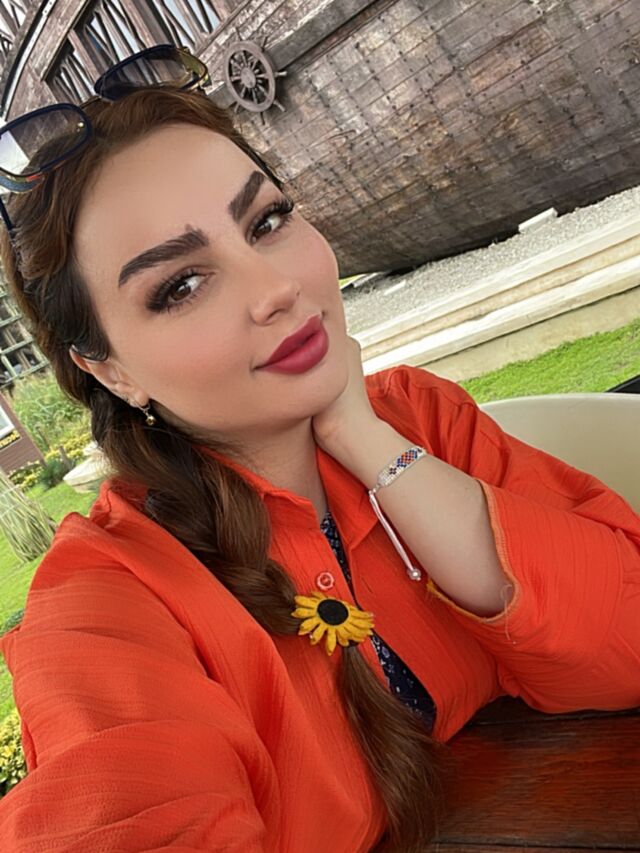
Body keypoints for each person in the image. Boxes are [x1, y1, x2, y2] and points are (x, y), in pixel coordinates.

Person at [0, 44, 638, 853]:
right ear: (108, 369)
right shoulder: (109, 605)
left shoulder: (418, 419)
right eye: (181, 285)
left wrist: (364, 438)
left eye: (266, 221)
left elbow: (626, 636)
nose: (277, 290)